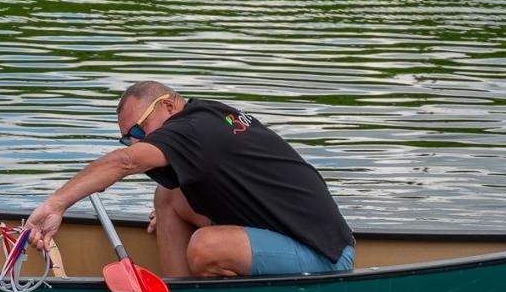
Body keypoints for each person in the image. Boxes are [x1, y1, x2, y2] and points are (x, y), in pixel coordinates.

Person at [25, 81, 355, 278]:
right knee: (169, 196)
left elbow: (125, 162)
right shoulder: (206, 116)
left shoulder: (192, 129)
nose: (138, 144)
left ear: (168, 106)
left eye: (139, 131)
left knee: (205, 247)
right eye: (128, 138)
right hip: (288, 228)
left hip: (324, 254)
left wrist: (56, 204)